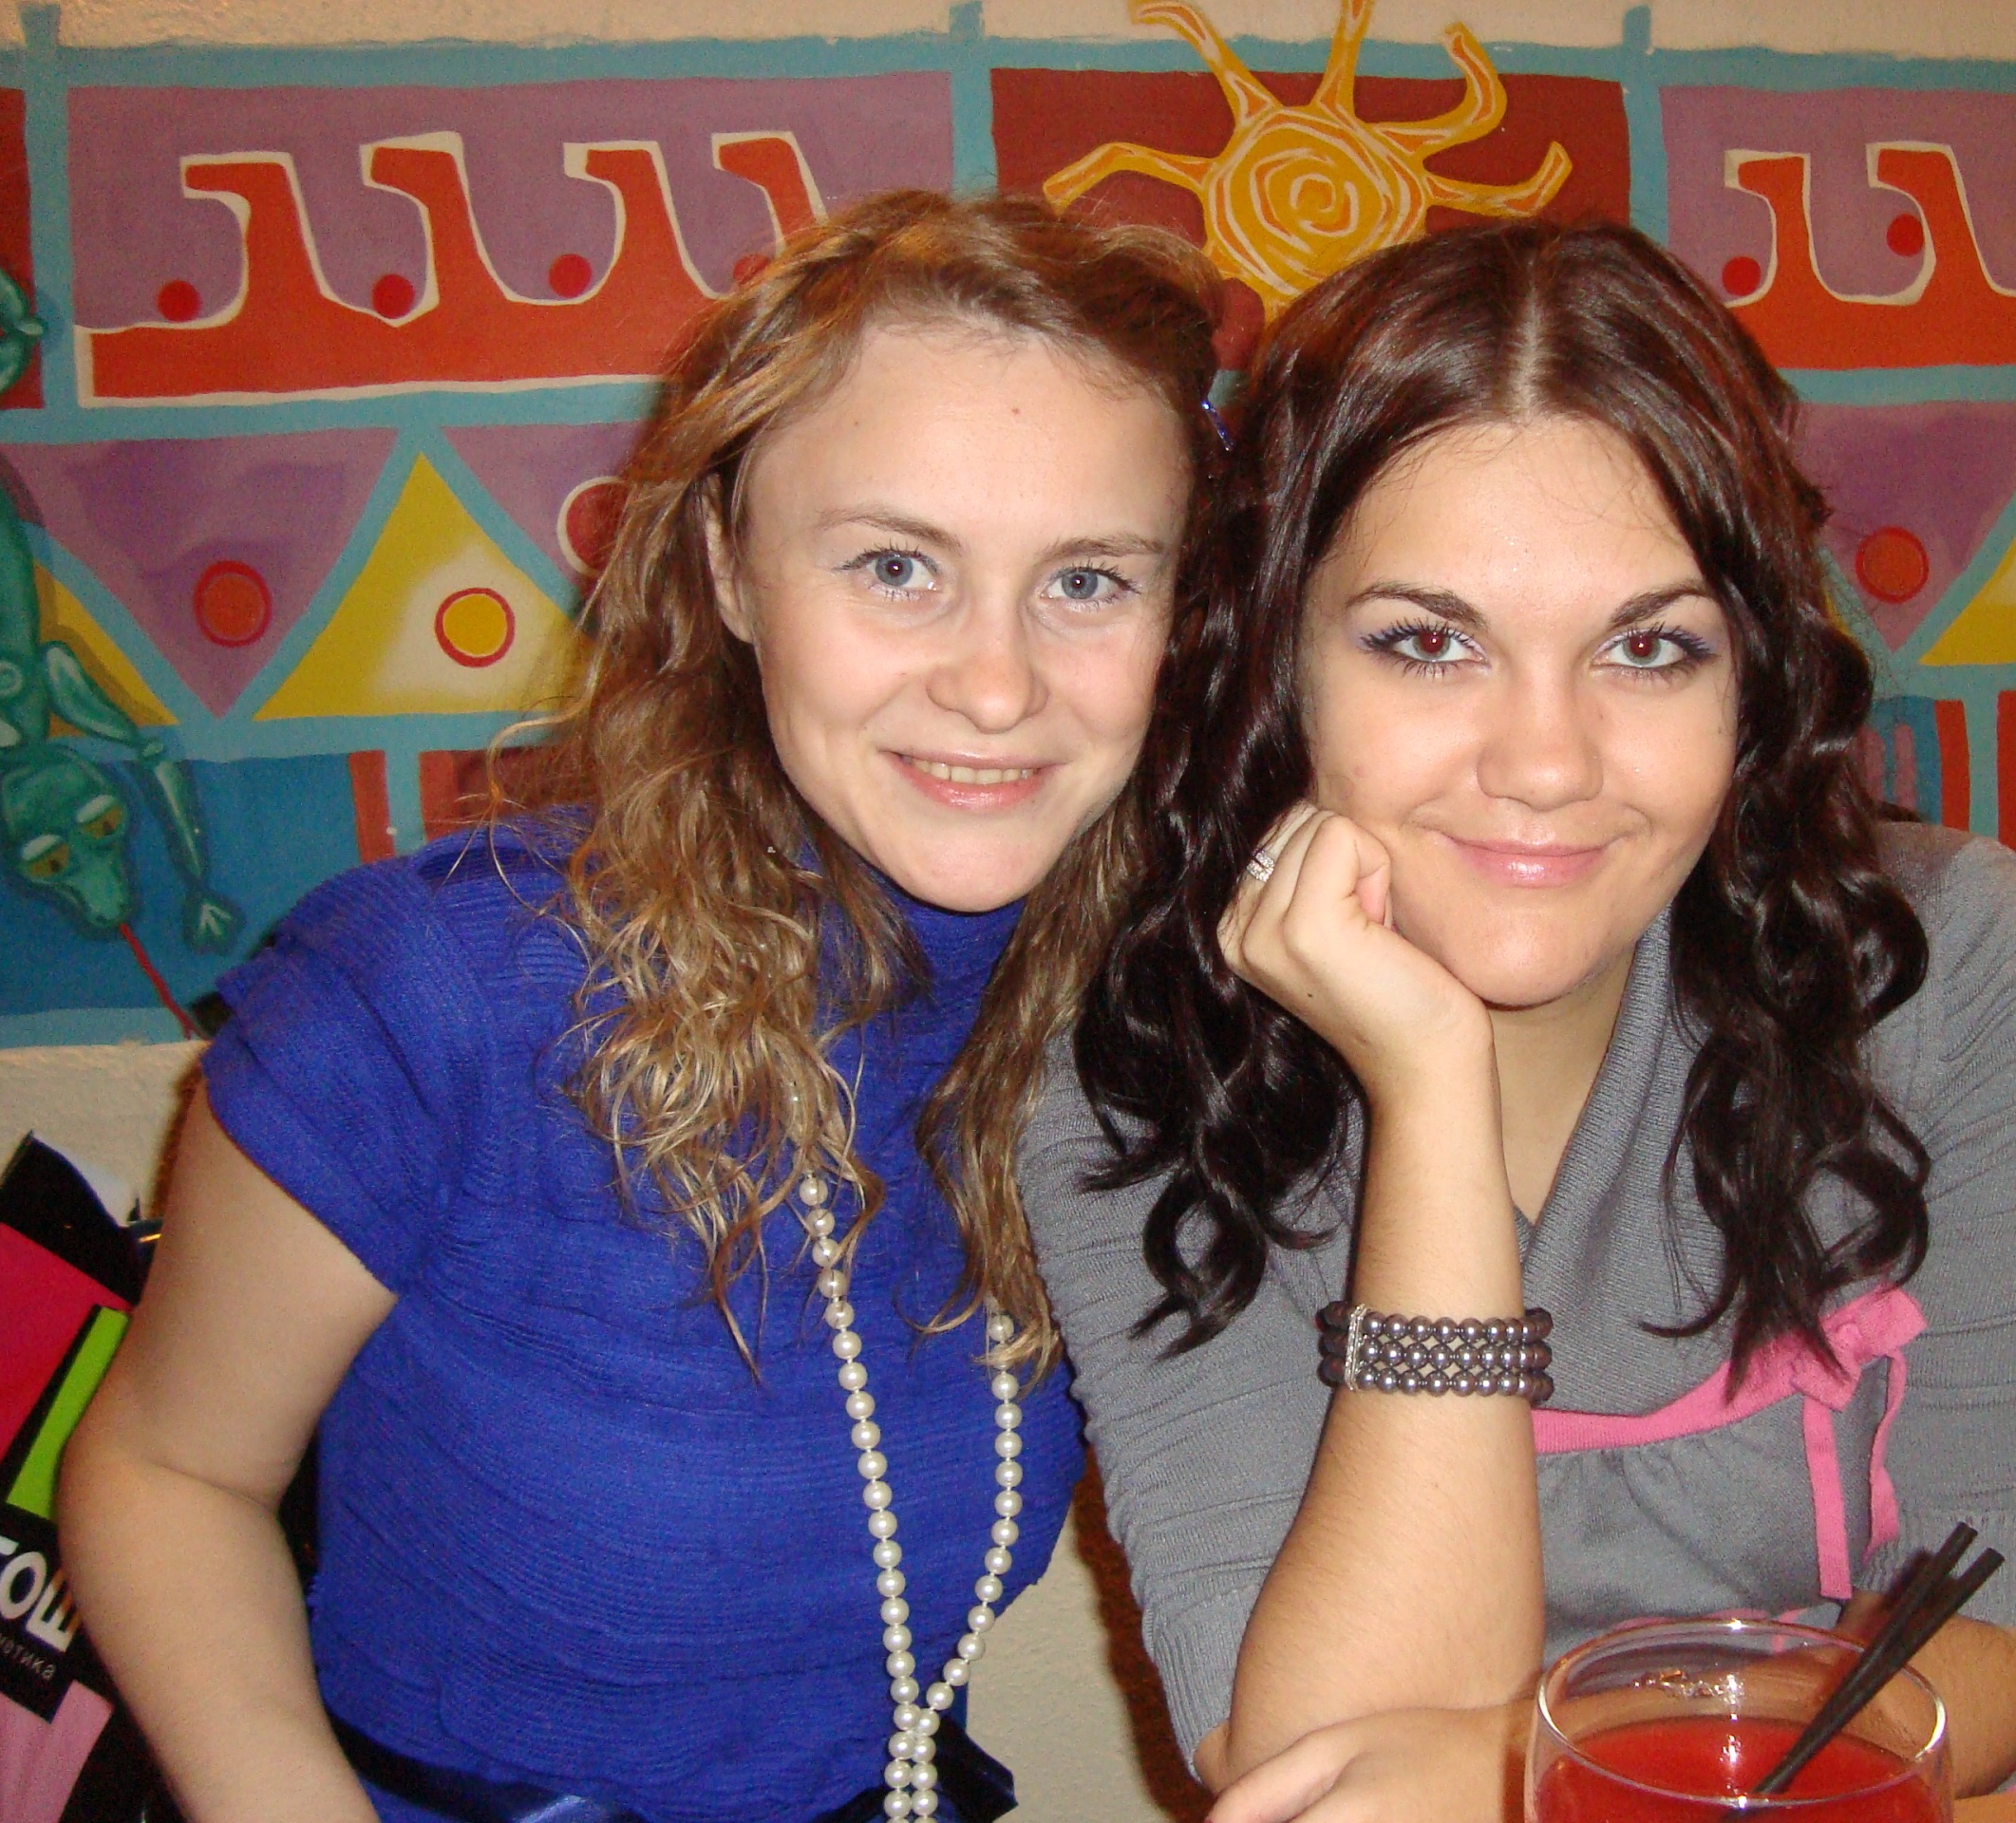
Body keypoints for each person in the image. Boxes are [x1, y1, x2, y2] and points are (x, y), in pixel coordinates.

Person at [1022, 217, 2016, 1823]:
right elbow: (1320, 1766)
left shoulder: (1946, 962)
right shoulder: (1128, 1073)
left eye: (1649, 649)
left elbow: (2001, 1625)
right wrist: (1430, 1098)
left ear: (1751, 678)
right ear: (1277, 660)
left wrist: (1545, 1760)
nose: (1546, 761)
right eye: (1428, 642)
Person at [61, 190, 1220, 1823]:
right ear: (731, 570)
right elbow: (166, 1471)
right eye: (897, 566)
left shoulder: (1136, 1028)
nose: (996, 682)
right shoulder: (436, 999)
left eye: (1089, 580)